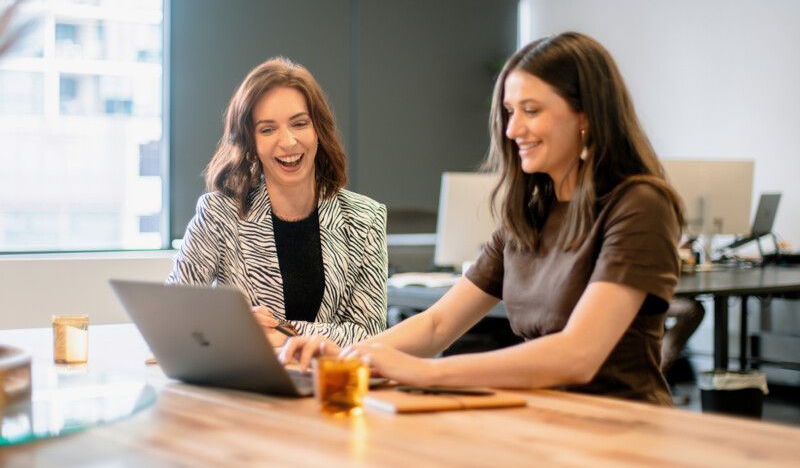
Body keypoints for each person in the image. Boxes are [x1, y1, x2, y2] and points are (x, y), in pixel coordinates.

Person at [282, 32, 685, 405]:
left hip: (619, 431)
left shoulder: (639, 205)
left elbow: (577, 354)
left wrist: (427, 372)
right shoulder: (528, 216)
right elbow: (439, 324)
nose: (513, 129)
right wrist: (352, 355)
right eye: (510, 111)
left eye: (531, 110)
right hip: (544, 421)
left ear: (586, 116)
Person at [167, 57, 388, 348]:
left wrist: (279, 334)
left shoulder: (365, 219)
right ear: (251, 143)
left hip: (326, 385)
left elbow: (371, 334)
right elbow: (174, 315)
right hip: (243, 386)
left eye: (299, 124)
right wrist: (235, 326)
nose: (288, 142)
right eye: (267, 129)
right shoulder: (219, 214)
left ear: (318, 130)